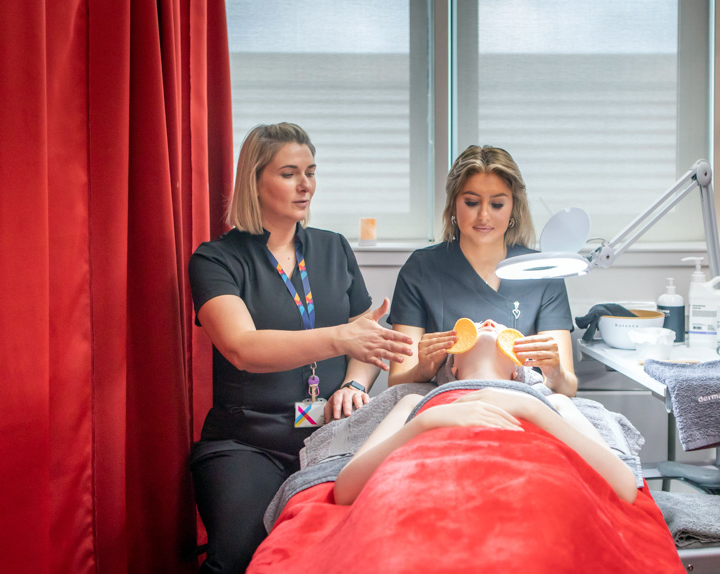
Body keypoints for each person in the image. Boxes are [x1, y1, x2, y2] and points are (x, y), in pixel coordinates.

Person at [188, 122, 414, 573]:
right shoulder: (215, 259)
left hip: (334, 436)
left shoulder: (333, 248)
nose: (306, 184)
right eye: (290, 172)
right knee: (239, 556)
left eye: (311, 171)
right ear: (254, 181)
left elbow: (363, 336)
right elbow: (242, 348)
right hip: (250, 441)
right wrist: (339, 336)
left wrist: (353, 380)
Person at [334, 319, 637, 506]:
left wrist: (529, 405)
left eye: (501, 327)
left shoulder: (553, 403)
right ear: (451, 367)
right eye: (476, 325)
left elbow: (624, 487)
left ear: (519, 372)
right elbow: (345, 490)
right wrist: (426, 421)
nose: (489, 322)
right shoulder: (415, 402)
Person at [387, 145, 578, 395]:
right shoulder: (422, 269)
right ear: (454, 206)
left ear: (513, 209)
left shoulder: (541, 272)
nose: (484, 215)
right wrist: (423, 369)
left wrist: (555, 373)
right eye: (471, 202)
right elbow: (397, 382)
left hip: (521, 409)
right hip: (445, 409)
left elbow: (568, 388)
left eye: (497, 204)